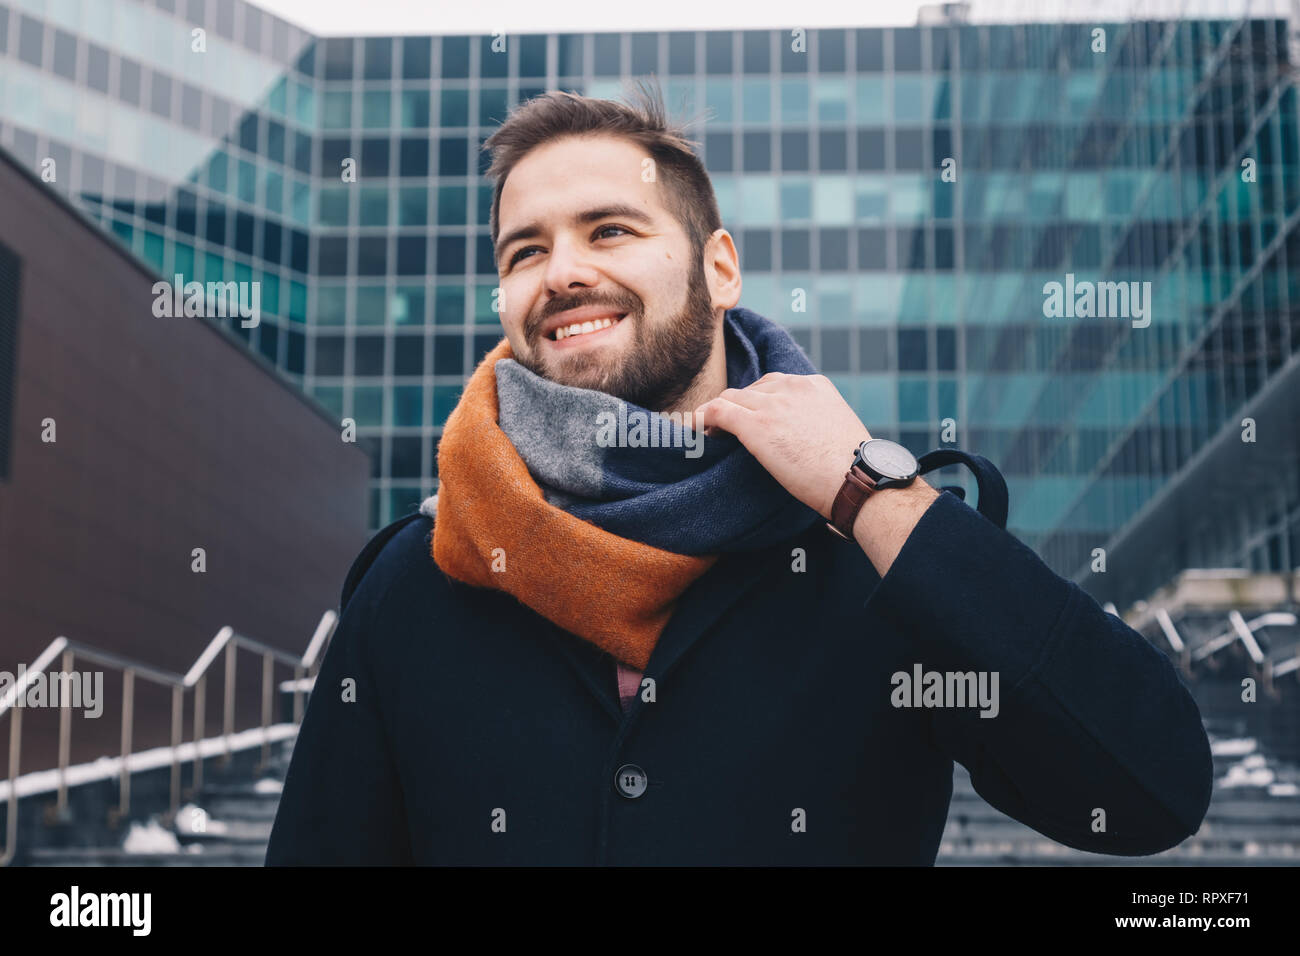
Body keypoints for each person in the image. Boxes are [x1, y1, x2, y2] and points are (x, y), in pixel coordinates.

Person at [265, 84, 1212, 865]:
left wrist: (871, 499)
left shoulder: (868, 551)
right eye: (526, 250)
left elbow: (1147, 790)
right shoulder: (419, 579)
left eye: (609, 231)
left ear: (719, 269)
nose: (559, 273)